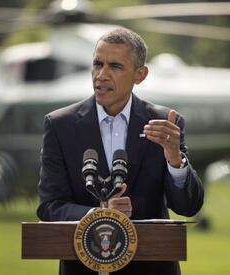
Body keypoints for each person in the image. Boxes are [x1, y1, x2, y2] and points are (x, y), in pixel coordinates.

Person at [37, 27, 204, 275]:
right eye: (97, 64)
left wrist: (175, 159)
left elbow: (188, 207)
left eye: (115, 66)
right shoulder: (60, 125)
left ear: (140, 74)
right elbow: (50, 206)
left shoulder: (165, 124)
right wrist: (100, 215)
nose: (101, 75)